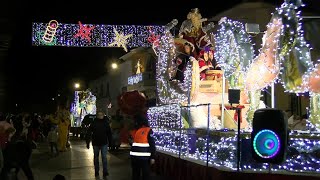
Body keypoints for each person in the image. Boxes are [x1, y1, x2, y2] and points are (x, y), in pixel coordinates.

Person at [86, 111, 113, 178]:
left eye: (101, 115)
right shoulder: (93, 123)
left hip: (104, 143)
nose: (100, 116)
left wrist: (111, 143)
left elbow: (109, 133)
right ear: (97, 115)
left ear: (103, 115)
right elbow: (89, 132)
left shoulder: (106, 123)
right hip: (96, 143)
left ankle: (105, 171)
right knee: (96, 158)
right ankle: (97, 172)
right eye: (99, 115)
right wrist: (87, 142)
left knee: (104, 158)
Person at [129, 114, 156, 180]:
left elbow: (131, 142)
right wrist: (153, 157)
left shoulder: (135, 130)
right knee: (145, 174)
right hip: (144, 157)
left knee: (135, 174)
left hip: (134, 156)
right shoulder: (148, 130)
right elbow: (152, 144)